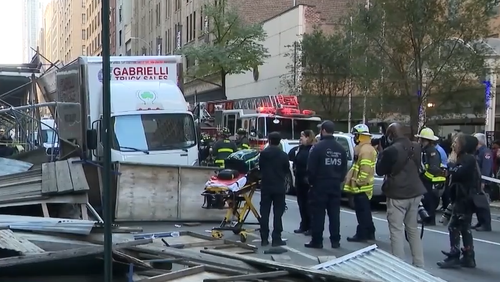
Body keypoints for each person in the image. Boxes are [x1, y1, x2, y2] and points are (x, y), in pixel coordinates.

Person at [376, 123, 426, 268]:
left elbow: (380, 170)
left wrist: (381, 152)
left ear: (390, 136)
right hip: (415, 191)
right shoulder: (416, 147)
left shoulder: (391, 150)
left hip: (398, 193)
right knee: (413, 229)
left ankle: (398, 266)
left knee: (396, 230)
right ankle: (419, 264)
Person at [437, 134, 479, 269]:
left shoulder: (468, 159)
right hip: (461, 197)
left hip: (464, 199)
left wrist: (450, 166)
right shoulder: (464, 158)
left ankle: (455, 255)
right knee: (465, 228)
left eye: (456, 142)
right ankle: (468, 256)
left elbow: (458, 173)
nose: (453, 145)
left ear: (464, 145)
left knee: (454, 226)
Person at [305, 120, 347, 249]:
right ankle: (335, 240)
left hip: (320, 185)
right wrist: (338, 179)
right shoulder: (341, 149)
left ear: (323, 131)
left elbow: (311, 169)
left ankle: (317, 241)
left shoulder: (317, 148)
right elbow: (344, 169)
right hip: (335, 185)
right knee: (334, 214)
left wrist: (312, 183)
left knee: (318, 214)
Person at [344, 124, 377, 242]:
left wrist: (359, 182)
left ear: (360, 136)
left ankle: (362, 234)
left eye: (355, 135)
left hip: (362, 187)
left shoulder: (365, 150)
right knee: (365, 212)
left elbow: (365, 169)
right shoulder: (366, 148)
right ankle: (369, 232)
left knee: (362, 213)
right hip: (364, 187)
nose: (354, 137)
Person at [258, 131, 290, 247]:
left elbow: (261, 168)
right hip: (279, 187)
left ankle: (264, 238)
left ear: (269, 141)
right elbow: (286, 170)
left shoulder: (263, 154)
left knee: (265, 213)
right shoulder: (283, 155)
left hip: (266, 186)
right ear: (279, 142)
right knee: (278, 213)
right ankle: (276, 238)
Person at [415, 128, 446, 226]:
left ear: (428, 141)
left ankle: (430, 219)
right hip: (428, 180)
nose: (420, 142)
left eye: (422, 140)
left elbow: (433, 168)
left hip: (432, 181)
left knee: (430, 201)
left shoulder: (432, 151)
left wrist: (424, 177)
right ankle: (427, 218)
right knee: (426, 200)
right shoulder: (426, 150)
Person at [292, 130, 316, 236]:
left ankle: (311, 226)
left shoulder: (312, 149)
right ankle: (304, 225)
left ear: (308, 137)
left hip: (308, 181)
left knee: (309, 205)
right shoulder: (301, 148)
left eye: (302, 137)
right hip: (299, 180)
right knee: (301, 204)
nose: (300, 139)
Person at [472, 133, 492, 232]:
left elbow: (486, 168)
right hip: (477, 181)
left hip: (483, 182)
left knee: (483, 204)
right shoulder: (477, 152)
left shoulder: (485, 152)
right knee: (477, 203)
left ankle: (486, 224)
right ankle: (480, 221)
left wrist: (483, 181)